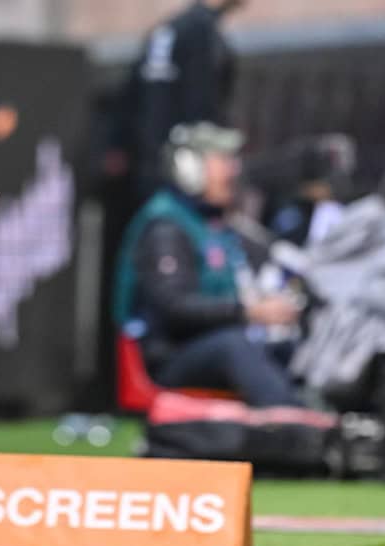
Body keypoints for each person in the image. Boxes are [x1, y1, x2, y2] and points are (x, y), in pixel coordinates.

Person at [114, 122, 302, 407]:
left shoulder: (216, 225)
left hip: (218, 342)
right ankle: (296, 428)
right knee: (234, 347)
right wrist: (249, 311)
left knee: (289, 350)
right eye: (224, 160)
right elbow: (174, 306)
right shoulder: (166, 226)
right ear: (189, 168)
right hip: (169, 356)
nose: (234, 170)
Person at [113, 0, 245, 197]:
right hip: (186, 168)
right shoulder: (201, 31)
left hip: (148, 161)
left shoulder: (168, 29)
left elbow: (131, 96)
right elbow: (202, 107)